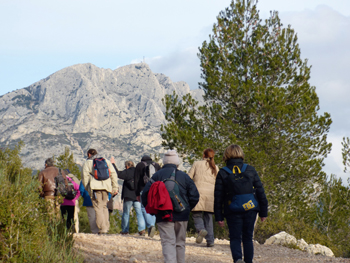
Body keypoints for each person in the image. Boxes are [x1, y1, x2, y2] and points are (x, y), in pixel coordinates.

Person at [142, 150, 199, 263]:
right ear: (176, 162)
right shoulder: (184, 176)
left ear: (164, 162)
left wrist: (154, 211)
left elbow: (145, 194)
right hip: (182, 215)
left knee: (168, 242)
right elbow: (195, 196)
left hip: (163, 215)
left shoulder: (156, 176)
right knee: (180, 243)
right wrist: (186, 208)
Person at [214, 144, 268, 263]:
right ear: (241, 154)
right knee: (248, 237)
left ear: (226, 155)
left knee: (235, 238)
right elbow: (260, 191)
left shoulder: (223, 172)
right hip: (250, 208)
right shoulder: (250, 169)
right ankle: (248, 261)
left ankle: (238, 259)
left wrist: (219, 217)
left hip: (232, 210)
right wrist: (263, 212)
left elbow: (218, 196)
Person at [82, 149, 119, 234]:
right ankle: (106, 226)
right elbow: (113, 173)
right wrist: (114, 187)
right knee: (104, 206)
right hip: (106, 188)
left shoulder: (87, 163)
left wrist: (88, 188)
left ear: (88, 154)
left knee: (98, 207)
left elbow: (85, 177)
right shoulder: (105, 161)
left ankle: (102, 228)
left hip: (95, 188)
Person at [188, 148, 219, 247]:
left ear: (203, 155)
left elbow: (188, 178)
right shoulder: (215, 168)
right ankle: (210, 241)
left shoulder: (196, 164)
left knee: (196, 215)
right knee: (208, 218)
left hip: (198, 194)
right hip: (210, 196)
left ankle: (201, 230)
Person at [110, 157, 146, 235]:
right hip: (137, 196)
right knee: (139, 212)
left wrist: (113, 164)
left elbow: (118, 174)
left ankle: (125, 230)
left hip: (128, 196)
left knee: (126, 213)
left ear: (127, 166)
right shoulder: (138, 172)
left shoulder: (127, 172)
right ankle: (142, 229)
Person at [134, 155, 161, 237]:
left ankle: (150, 226)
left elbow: (136, 180)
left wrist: (137, 194)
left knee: (144, 208)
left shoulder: (140, 165)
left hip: (144, 189)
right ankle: (151, 227)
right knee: (154, 208)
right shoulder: (156, 165)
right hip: (155, 189)